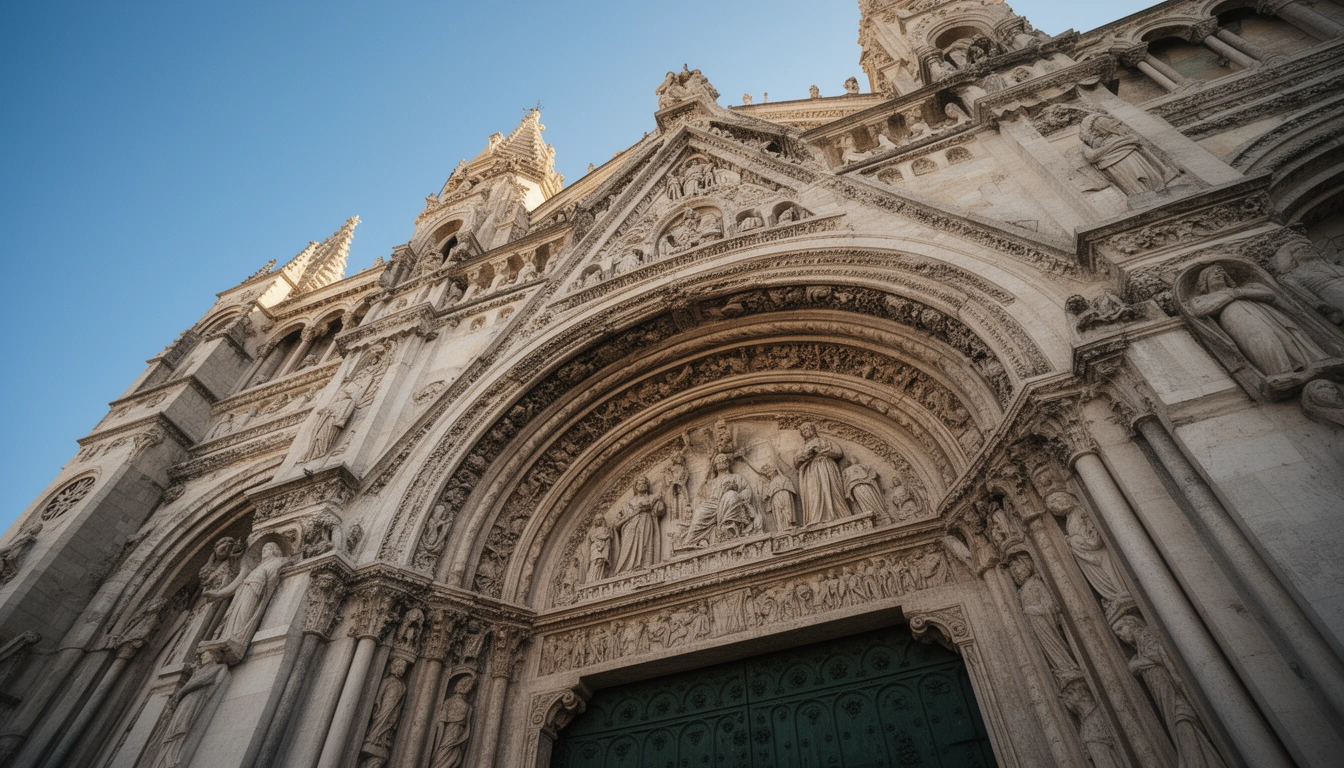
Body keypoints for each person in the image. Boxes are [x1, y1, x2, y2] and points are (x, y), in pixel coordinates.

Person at [1187, 264, 1327, 376]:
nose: (1218, 274)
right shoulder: (1200, 299)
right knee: (1260, 338)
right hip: (1234, 317)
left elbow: (1269, 295)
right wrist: (1232, 295)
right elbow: (1201, 310)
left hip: (1264, 313)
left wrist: (1238, 292)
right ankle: (1280, 372)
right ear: (1204, 281)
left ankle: (1310, 362)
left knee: (1286, 336)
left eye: (1221, 272)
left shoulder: (1245, 288)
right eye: (1213, 274)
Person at [794, 423, 850, 524]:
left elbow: (838, 452)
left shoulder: (824, 441)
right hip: (810, 471)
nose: (807, 430)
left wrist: (821, 452)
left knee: (830, 489)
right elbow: (796, 463)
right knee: (813, 493)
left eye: (808, 428)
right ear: (802, 434)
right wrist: (805, 456)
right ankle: (816, 519)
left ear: (813, 429)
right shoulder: (802, 448)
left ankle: (837, 514)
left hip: (826, 466)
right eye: (804, 430)